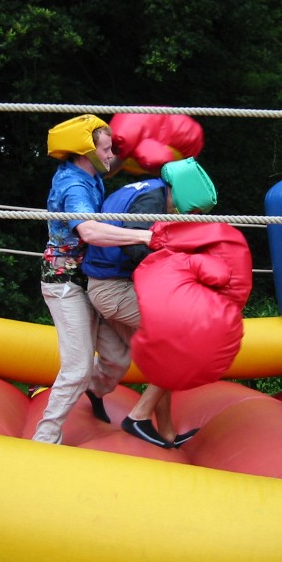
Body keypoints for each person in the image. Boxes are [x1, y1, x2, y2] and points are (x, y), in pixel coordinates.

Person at [32, 114, 157, 445]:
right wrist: (144, 236)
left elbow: (111, 167)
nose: (110, 155)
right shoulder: (74, 187)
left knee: (118, 357)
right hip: (64, 282)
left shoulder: (88, 172)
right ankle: (44, 439)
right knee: (77, 367)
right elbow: (88, 230)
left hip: (91, 279)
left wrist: (138, 147)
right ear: (85, 152)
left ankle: (92, 389)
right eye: (105, 149)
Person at [82, 157, 218, 448]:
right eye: (191, 211)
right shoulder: (150, 202)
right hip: (114, 290)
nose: (189, 216)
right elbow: (136, 250)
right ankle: (139, 416)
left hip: (115, 285)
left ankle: (166, 431)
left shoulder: (150, 189)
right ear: (183, 197)